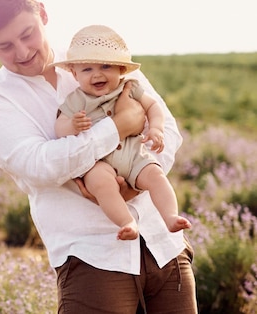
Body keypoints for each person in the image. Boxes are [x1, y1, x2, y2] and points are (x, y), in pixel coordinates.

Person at [0, 0, 197, 313]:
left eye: (27, 33)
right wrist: (119, 127)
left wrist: (137, 178)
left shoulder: (99, 54)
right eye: (4, 46)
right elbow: (39, 165)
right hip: (91, 255)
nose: (22, 52)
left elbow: (167, 131)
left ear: (43, 14)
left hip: (164, 244)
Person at [52, 24, 191, 241]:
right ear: (75, 74)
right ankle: (127, 222)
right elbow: (59, 127)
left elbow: (154, 107)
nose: (97, 74)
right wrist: (72, 126)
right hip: (99, 162)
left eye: (106, 66)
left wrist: (155, 128)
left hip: (133, 153)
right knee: (100, 184)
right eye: (87, 70)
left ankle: (171, 216)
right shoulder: (76, 99)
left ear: (121, 69)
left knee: (155, 175)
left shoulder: (130, 88)